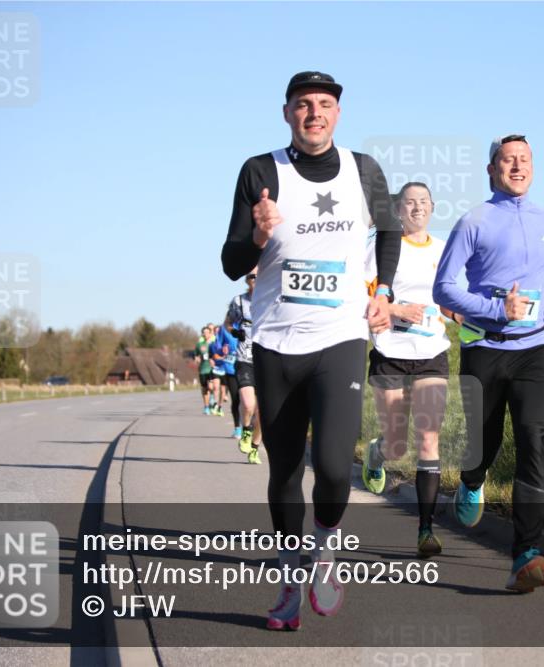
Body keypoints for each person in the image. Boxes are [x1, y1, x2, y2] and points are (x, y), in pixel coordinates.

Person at [221, 71, 401, 629]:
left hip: (340, 336)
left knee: (332, 466)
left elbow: (390, 230)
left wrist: (384, 291)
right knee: (283, 471)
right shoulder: (259, 171)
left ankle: (323, 550)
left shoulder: (364, 169)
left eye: (324, 104)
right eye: (303, 104)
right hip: (275, 341)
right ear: (287, 113)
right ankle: (288, 581)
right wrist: (257, 235)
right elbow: (230, 262)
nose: (314, 113)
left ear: (337, 114)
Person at [432, 134, 544, 593]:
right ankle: (472, 479)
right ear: (491, 169)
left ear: (533, 166)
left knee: (534, 439)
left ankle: (525, 553)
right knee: (485, 441)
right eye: (508, 160)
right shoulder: (473, 221)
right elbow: (443, 288)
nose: (517, 166)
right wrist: (498, 310)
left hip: (534, 349)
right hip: (485, 349)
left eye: (524, 159)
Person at [360, 182, 455, 559]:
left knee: (429, 438)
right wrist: (396, 310)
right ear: (398, 210)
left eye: (424, 202)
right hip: (391, 351)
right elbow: (361, 293)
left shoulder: (443, 249)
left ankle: (426, 530)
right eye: (409, 203)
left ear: (432, 207)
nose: (417, 208)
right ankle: (376, 454)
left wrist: (464, 315)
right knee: (397, 443)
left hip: (432, 352)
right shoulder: (382, 248)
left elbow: (449, 297)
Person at [225, 269, 263, 462]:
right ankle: (246, 428)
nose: (254, 279)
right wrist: (234, 332)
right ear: (246, 280)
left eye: (257, 275)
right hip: (244, 358)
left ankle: (255, 447)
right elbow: (228, 323)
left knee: (263, 412)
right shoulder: (239, 301)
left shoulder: (272, 298)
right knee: (248, 404)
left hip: (266, 359)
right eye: (251, 276)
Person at [210, 325, 243, 447]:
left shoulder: (251, 321)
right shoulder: (224, 329)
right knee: (236, 399)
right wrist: (221, 349)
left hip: (248, 367)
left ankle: (247, 426)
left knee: (248, 401)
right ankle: (238, 428)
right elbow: (217, 347)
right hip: (231, 368)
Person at [194, 325, 215, 415]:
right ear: (202, 334)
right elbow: (196, 356)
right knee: (204, 389)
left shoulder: (214, 344)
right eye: (204, 333)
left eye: (207, 332)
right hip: (203, 369)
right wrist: (197, 359)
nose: (205, 334)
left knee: (211, 387)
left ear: (210, 334)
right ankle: (206, 407)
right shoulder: (199, 345)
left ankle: (212, 398)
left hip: (212, 369)